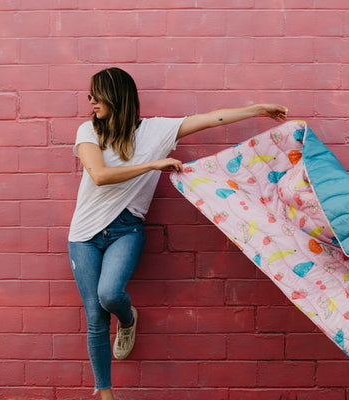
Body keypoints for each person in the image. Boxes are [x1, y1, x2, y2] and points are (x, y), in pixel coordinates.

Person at [67, 67, 288, 399]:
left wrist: (258, 109)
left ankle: (128, 319)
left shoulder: (157, 131)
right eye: (89, 95)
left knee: (110, 294)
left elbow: (212, 118)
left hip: (126, 230)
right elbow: (99, 175)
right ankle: (105, 394)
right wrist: (152, 165)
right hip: (84, 234)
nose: (90, 101)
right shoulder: (88, 131)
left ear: (116, 95)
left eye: (96, 95)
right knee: (96, 316)